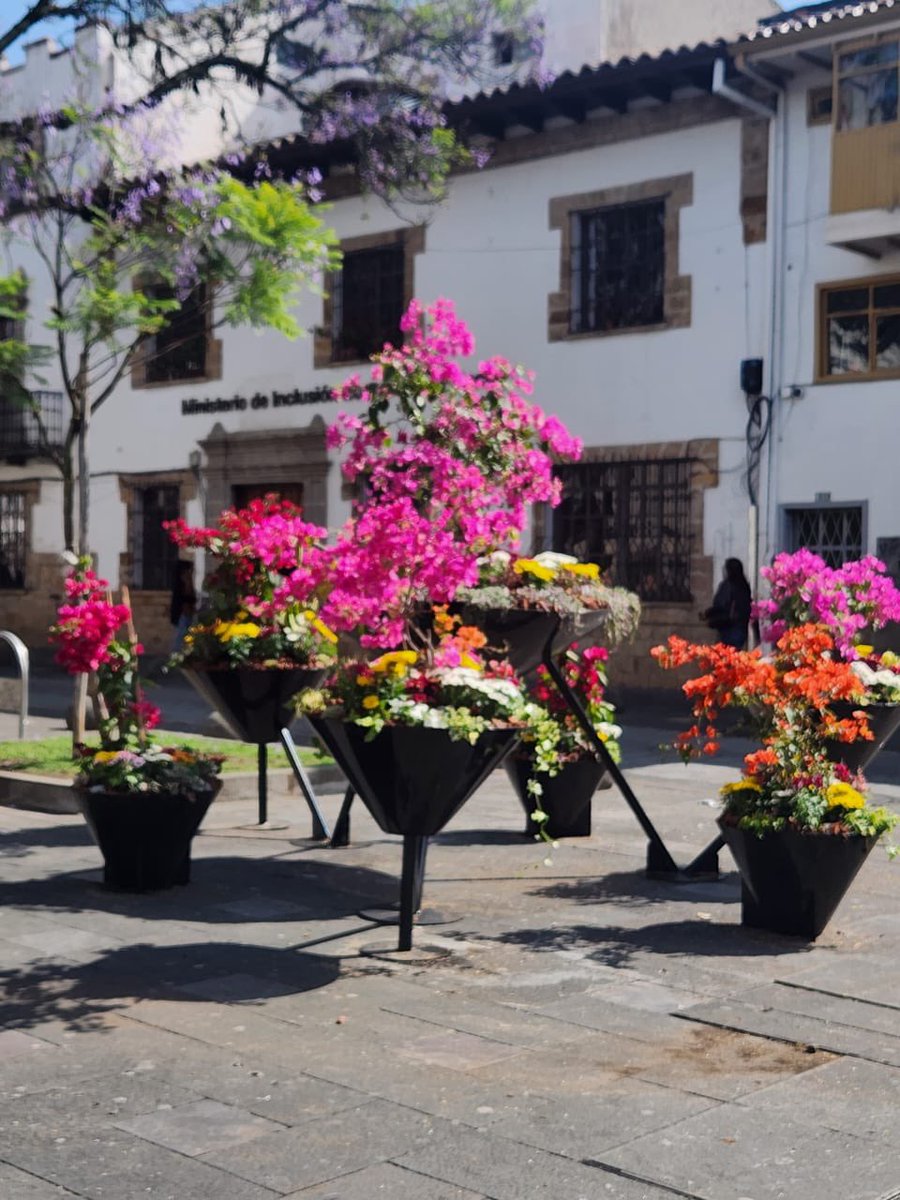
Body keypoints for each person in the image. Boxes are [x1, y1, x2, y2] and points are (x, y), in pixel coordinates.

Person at [704, 557, 752, 650]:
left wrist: (710, 613)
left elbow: (722, 604)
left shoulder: (728, 585)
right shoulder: (743, 585)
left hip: (729, 627)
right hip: (738, 628)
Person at [170, 560, 197, 653]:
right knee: (180, 636)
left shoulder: (183, 582)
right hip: (183, 614)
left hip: (184, 614)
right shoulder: (184, 582)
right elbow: (187, 598)